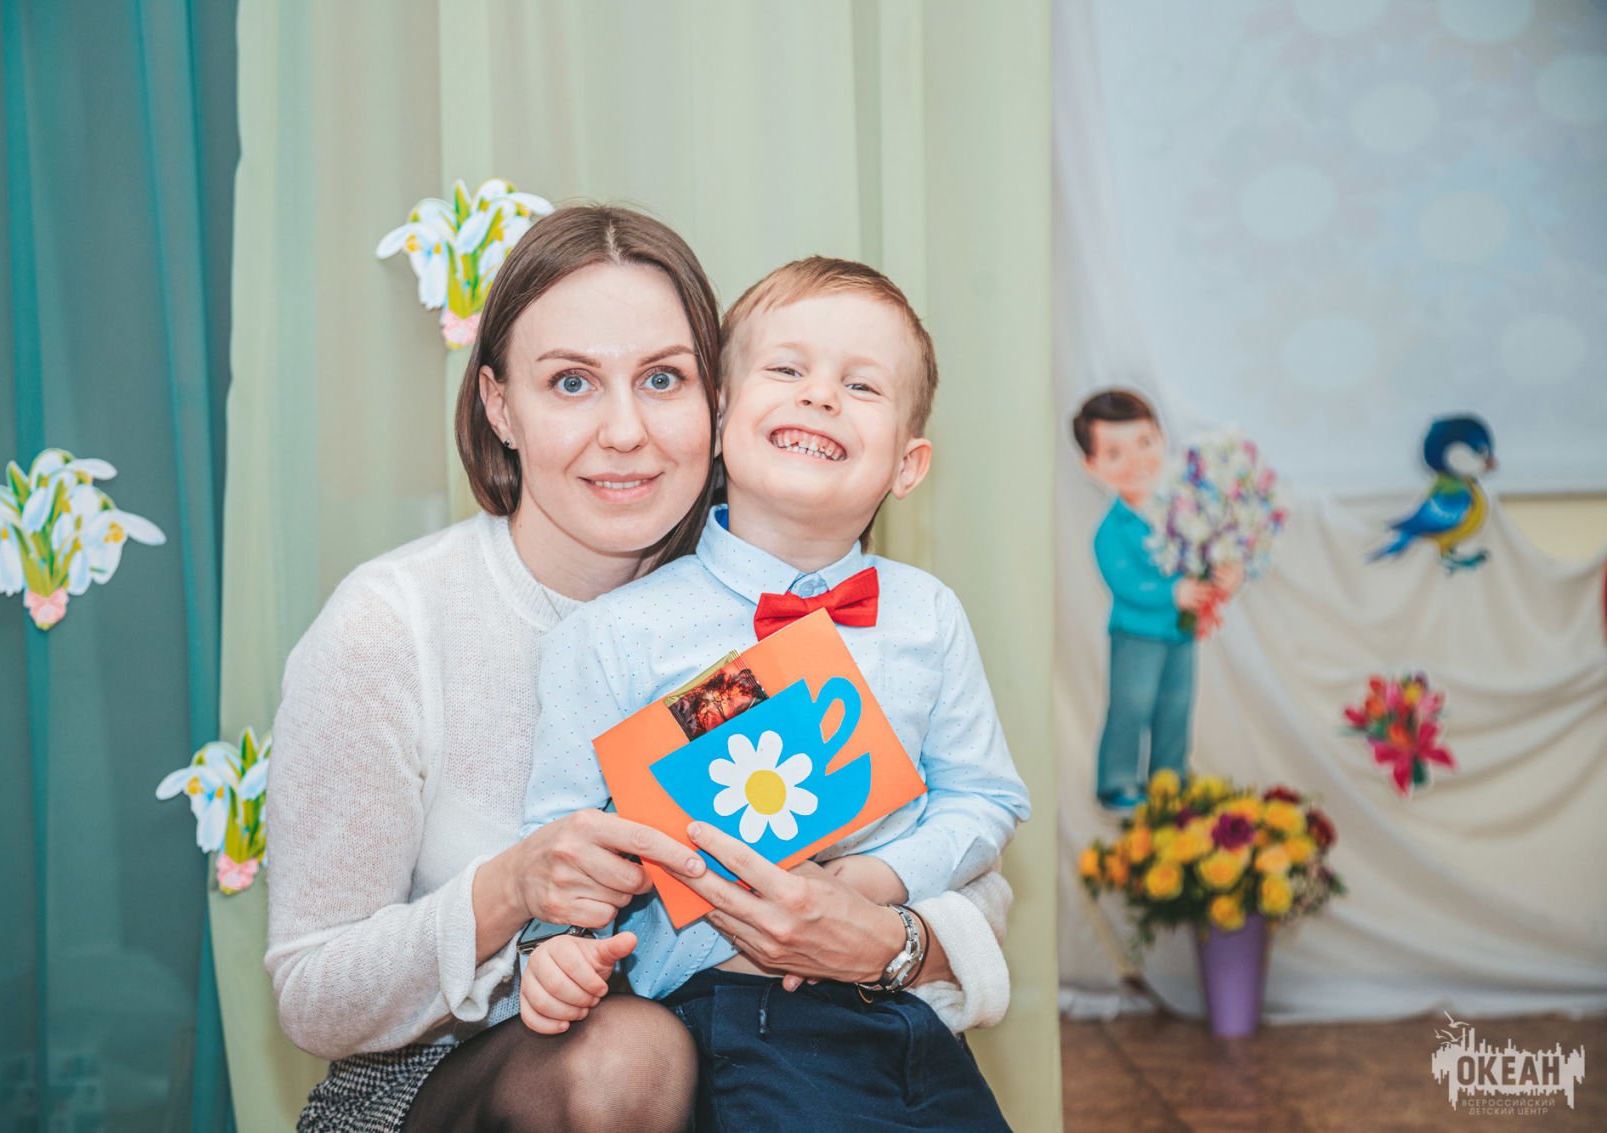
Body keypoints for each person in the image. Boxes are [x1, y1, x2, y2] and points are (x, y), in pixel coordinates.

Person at [266, 210, 1015, 1133]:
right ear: (499, 405)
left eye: (662, 378)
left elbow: (965, 843)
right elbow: (312, 995)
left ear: (714, 403)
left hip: (784, 1051)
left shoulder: (791, 580)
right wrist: (513, 890)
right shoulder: (390, 626)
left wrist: (883, 933)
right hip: (448, 1085)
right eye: (570, 381)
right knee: (632, 1054)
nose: (624, 430)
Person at [519, 257, 1029, 1131]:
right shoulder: (614, 633)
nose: (820, 395)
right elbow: (559, 844)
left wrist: (874, 881)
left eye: (861, 385)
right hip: (730, 1018)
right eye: (787, 369)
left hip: (909, 1012)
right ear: (718, 419)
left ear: (908, 465)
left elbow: (986, 797)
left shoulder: (929, 616)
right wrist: (559, 950)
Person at [1071, 389, 1239, 810]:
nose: (1136, 460)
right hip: (1136, 635)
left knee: (1176, 706)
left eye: (1145, 442)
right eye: (1115, 453)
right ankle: (1118, 781)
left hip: (1180, 633)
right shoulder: (1111, 530)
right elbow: (1126, 583)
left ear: (1162, 439)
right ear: (1092, 465)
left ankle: (1169, 778)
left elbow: (1203, 556)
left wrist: (1225, 575)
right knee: (1132, 704)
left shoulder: (1183, 512)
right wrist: (1173, 592)